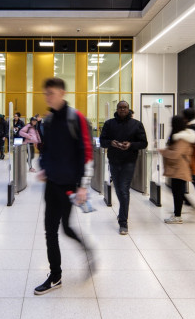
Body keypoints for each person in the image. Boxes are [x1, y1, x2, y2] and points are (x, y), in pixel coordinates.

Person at [35, 77, 93, 295]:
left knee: (66, 228)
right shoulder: (48, 121)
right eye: (45, 93)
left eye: (51, 93)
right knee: (50, 230)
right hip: (51, 183)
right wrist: (42, 167)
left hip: (69, 185)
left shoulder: (76, 118)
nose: (47, 97)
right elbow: (45, 150)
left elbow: (86, 152)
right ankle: (55, 276)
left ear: (62, 93)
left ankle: (89, 251)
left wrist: (83, 186)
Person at [99, 100, 147, 234]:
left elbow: (144, 143)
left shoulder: (137, 124)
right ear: (117, 109)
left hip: (129, 162)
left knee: (124, 189)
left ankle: (123, 222)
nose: (122, 110)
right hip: (114, 161)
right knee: (119, 190)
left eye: (125, 107)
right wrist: (111, 143)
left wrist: (130, 145)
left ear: (129, 109)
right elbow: (102, 141)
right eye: (120, 107)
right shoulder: (109, 124)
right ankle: (122, 212)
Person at [159, 114, 195, 224]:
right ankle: (178, 213)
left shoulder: (183, 138)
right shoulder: (180, 137)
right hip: (177, 168)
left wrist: (163, 152)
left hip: (180, 169)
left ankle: (177, 215)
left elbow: (176, 154)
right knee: (177, 191)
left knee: (178, 192)